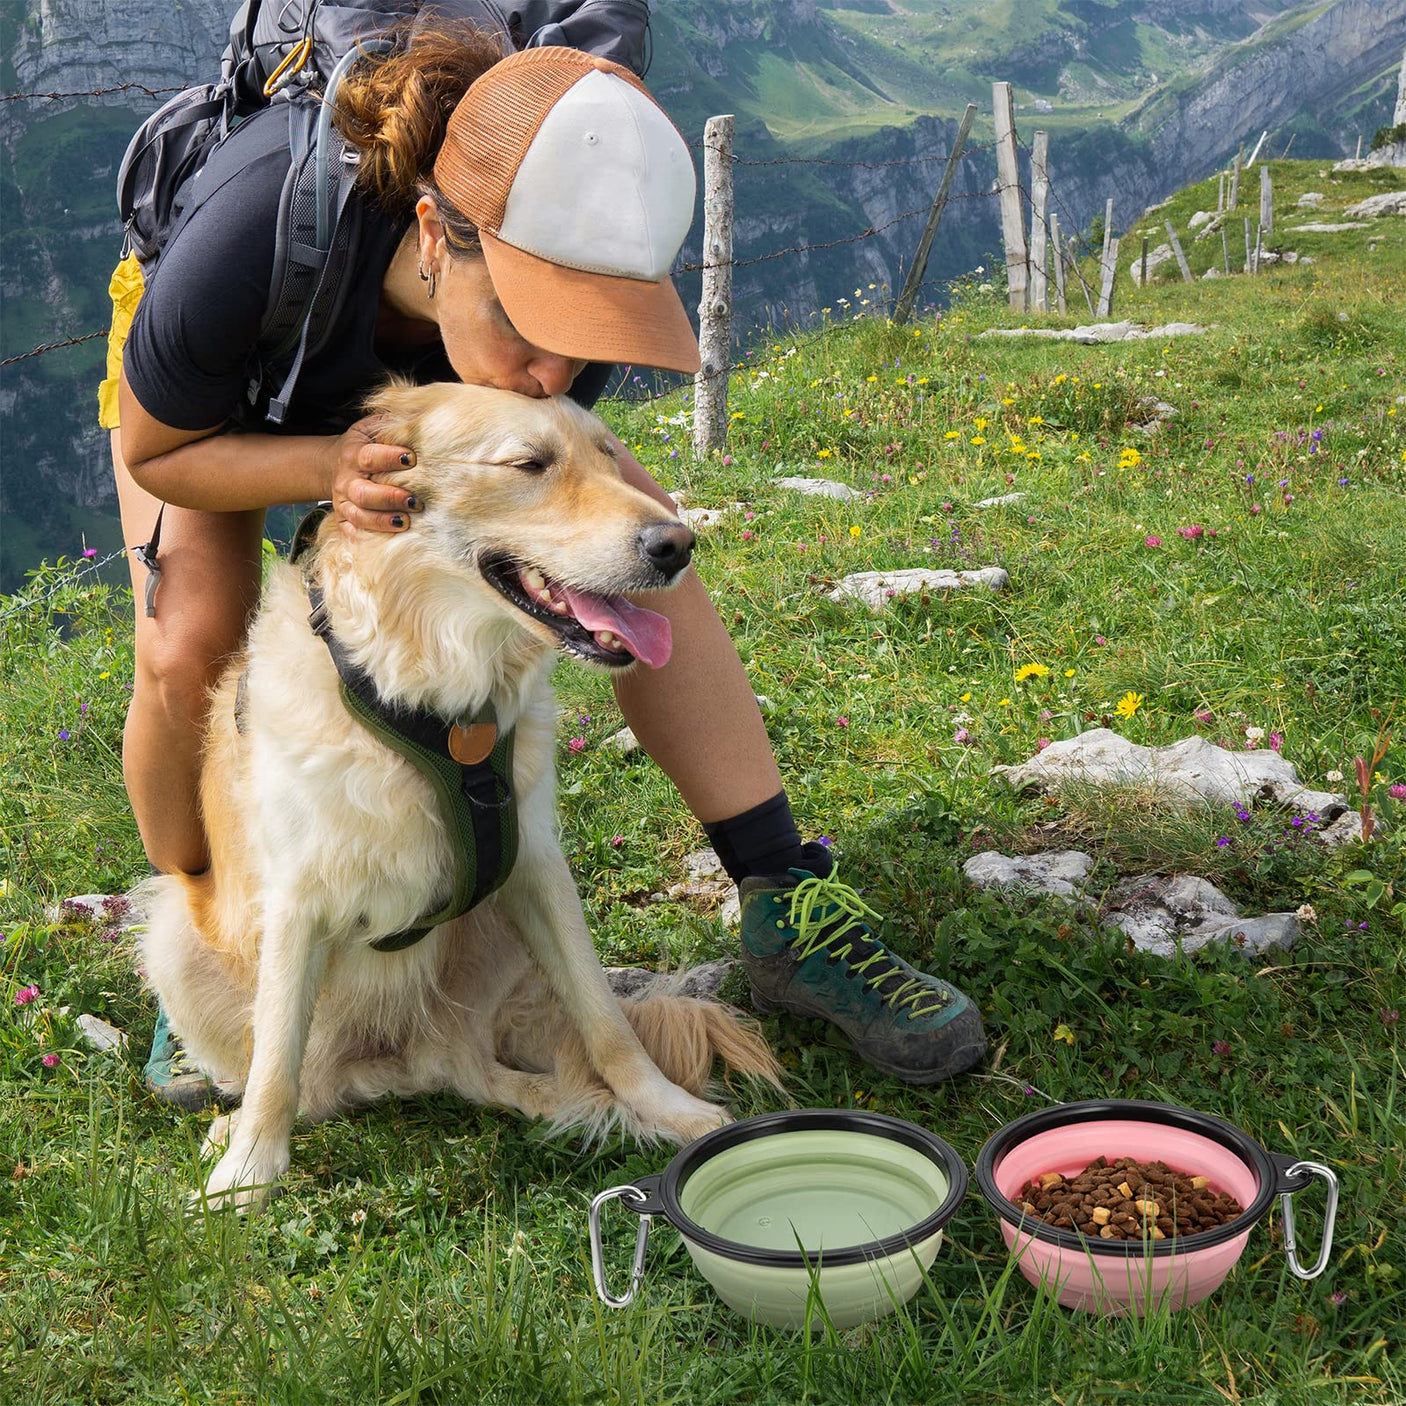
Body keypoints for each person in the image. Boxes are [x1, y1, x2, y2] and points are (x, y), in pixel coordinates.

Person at [98, 24, 986, 1108]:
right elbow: (158, 451)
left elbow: (543, 511)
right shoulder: (251, 233)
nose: (553, 366)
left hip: (418, 399)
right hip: (225, 408)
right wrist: (330, 464)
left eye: (585, 330)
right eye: (527, 317)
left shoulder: (555, 313)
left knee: (632, 538)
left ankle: (780, 893)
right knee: (191, 629)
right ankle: (213, 917)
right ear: (435, 230)